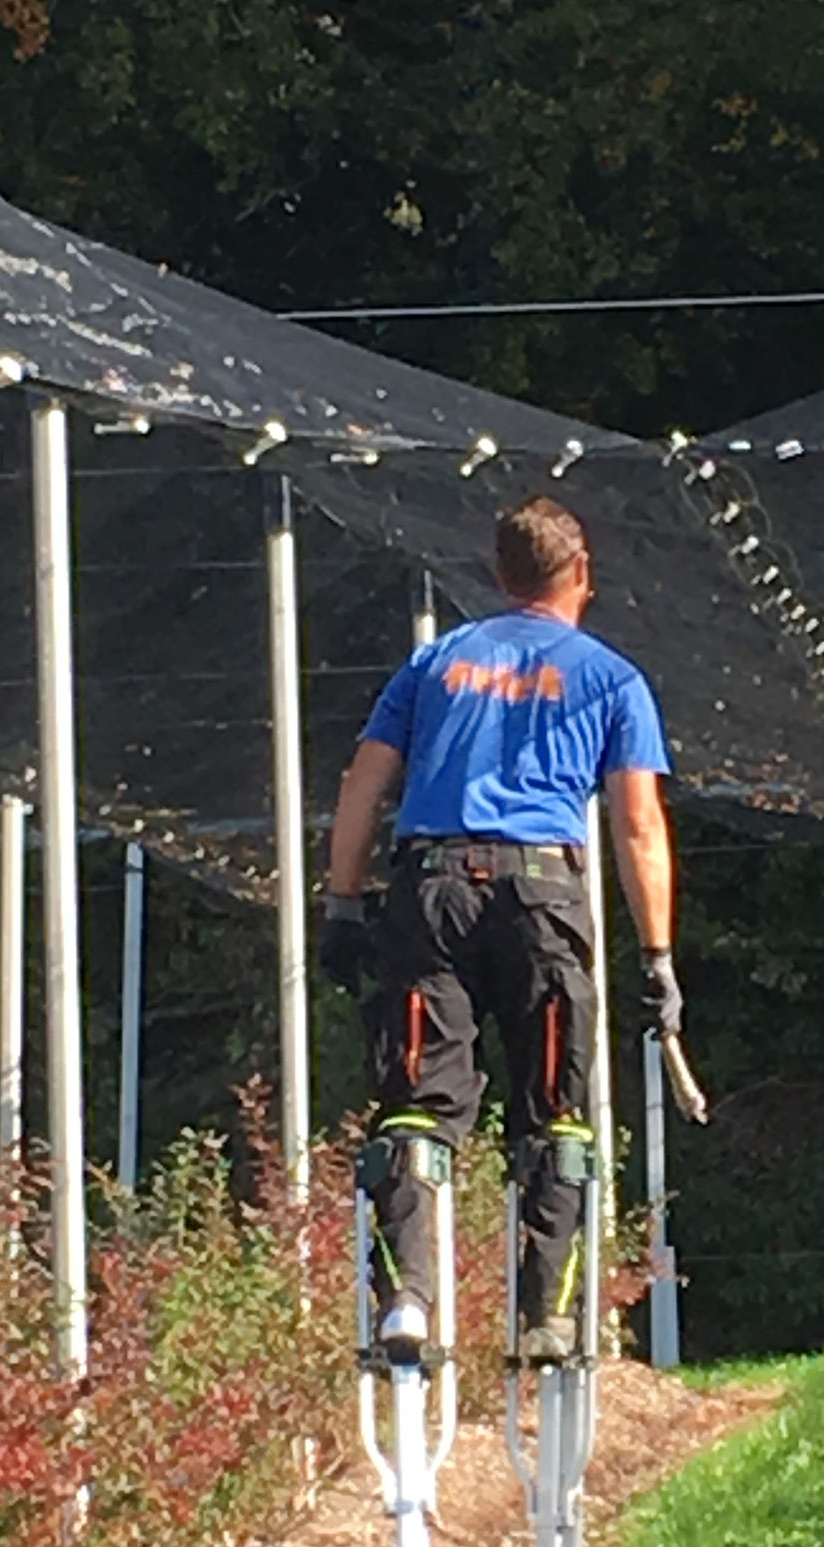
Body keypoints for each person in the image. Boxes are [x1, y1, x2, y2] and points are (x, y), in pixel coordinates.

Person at [320, 495, 683, 1363]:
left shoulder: (436, 664)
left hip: (431, 889)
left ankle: (406, 1301)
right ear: (582, 572)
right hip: (543, 898)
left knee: (414, 1105)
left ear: (498, 575)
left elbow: (362, 784)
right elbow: (638, 826)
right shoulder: (610, 678)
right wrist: (659, 956)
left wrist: (341, 903)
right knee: (554, 1109)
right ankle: (547, 1318)